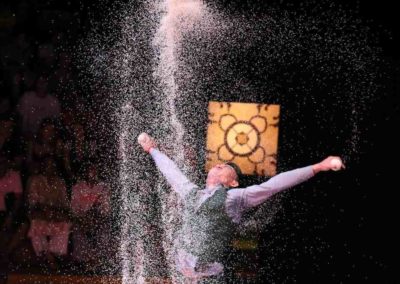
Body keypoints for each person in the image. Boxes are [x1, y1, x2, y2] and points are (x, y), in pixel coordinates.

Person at [137, 133, 344, 283]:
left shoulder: (235, 197)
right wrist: (152, 150)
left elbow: (274, 185)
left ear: (233, 183)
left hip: (210, 275)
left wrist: (317, 167)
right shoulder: (191, 192)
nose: (218, 165)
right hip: (182, 270)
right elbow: (172, 173)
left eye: (225, 166)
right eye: (218, 164)